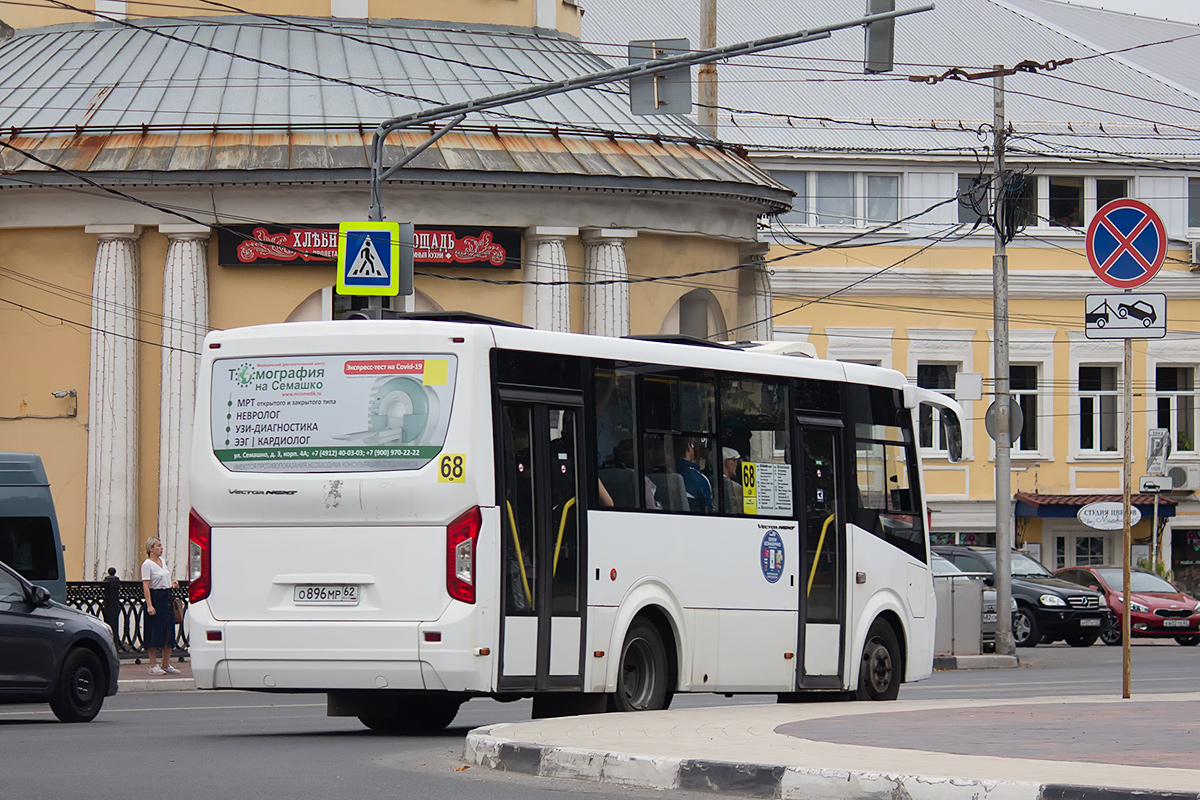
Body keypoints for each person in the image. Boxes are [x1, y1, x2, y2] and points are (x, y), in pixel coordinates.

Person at [141, 537, 180, 675]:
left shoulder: (162, 562)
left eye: (161, 546)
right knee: (154, 631)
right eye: (158, 546)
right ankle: (153, 665)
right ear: (151, 548)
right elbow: (146, 586)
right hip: (156, 597)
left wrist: (171, 583)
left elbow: (164, 578)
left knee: (168, 631)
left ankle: (165, 663)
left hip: (166, 597)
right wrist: (149, 605)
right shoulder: (147, 564)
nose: (161, 548)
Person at [673, 436, 713, 513]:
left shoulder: (665, 472)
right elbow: (708, 511)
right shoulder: (699, 479)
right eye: (692, 446)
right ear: (688, 447)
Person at [722, 447, 743, 513]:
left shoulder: (709, 481)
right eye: (735, 460)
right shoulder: (736, 488)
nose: (736, 464)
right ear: (728, 462)